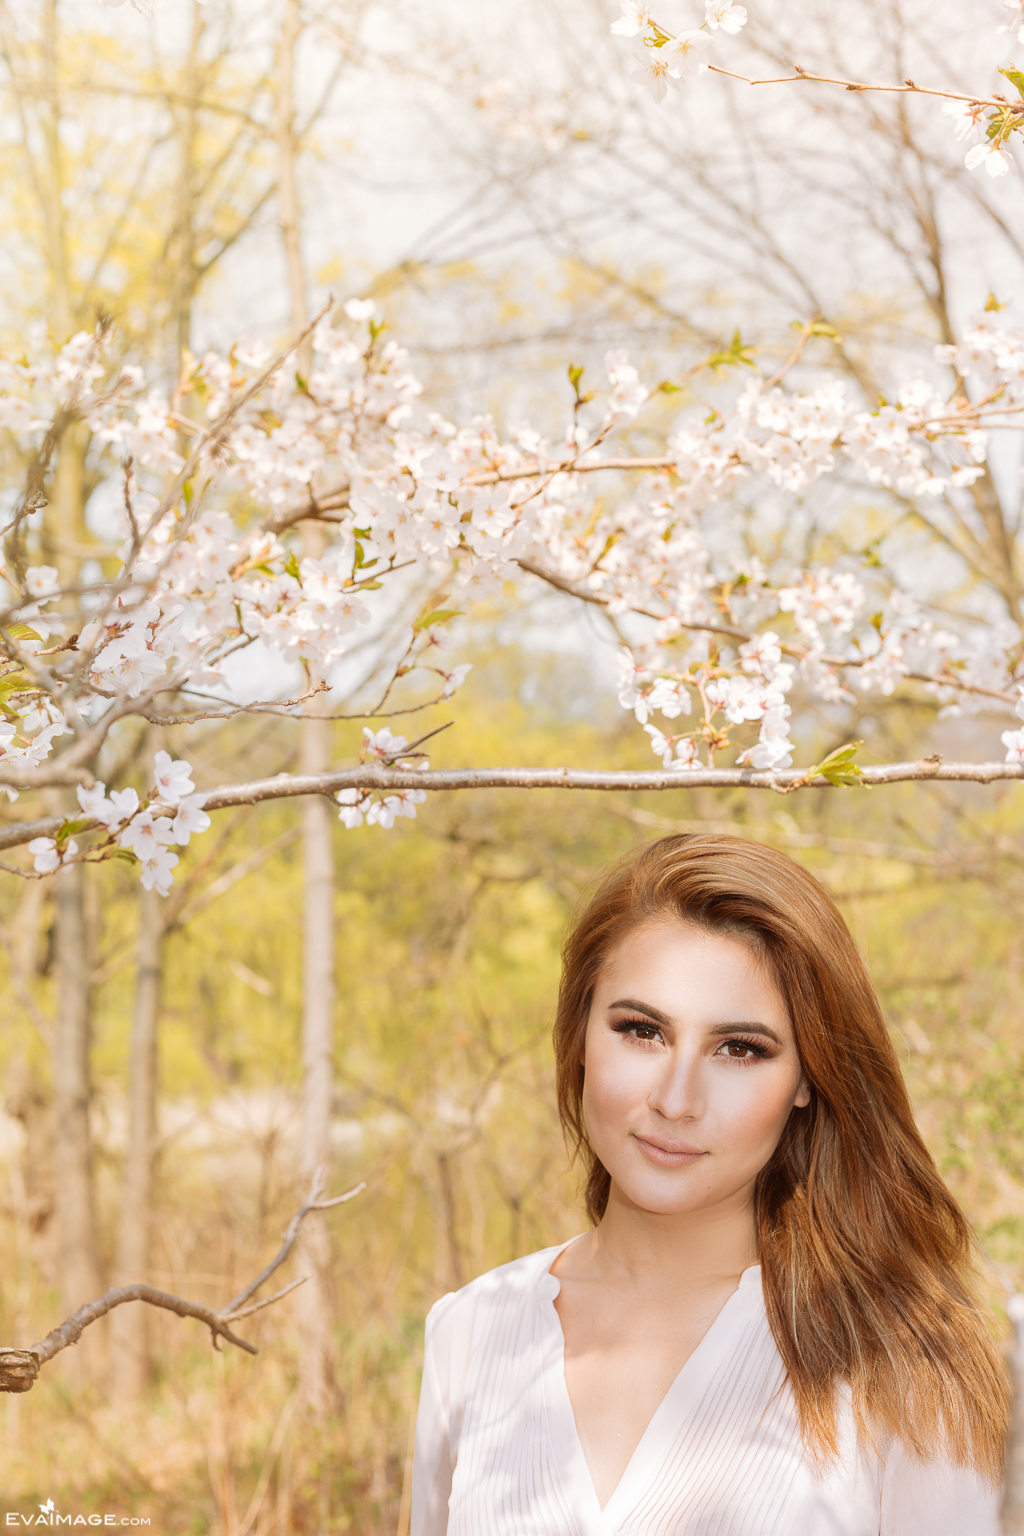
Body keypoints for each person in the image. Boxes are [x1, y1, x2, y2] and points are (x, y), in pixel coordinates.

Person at [410, 834, 1009, 1535]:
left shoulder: (899, 1353)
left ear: (808, 1079)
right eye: (642, 1031)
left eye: (740, 1049)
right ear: (578, 1035)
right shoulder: (472, 1331)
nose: (677, 1098)